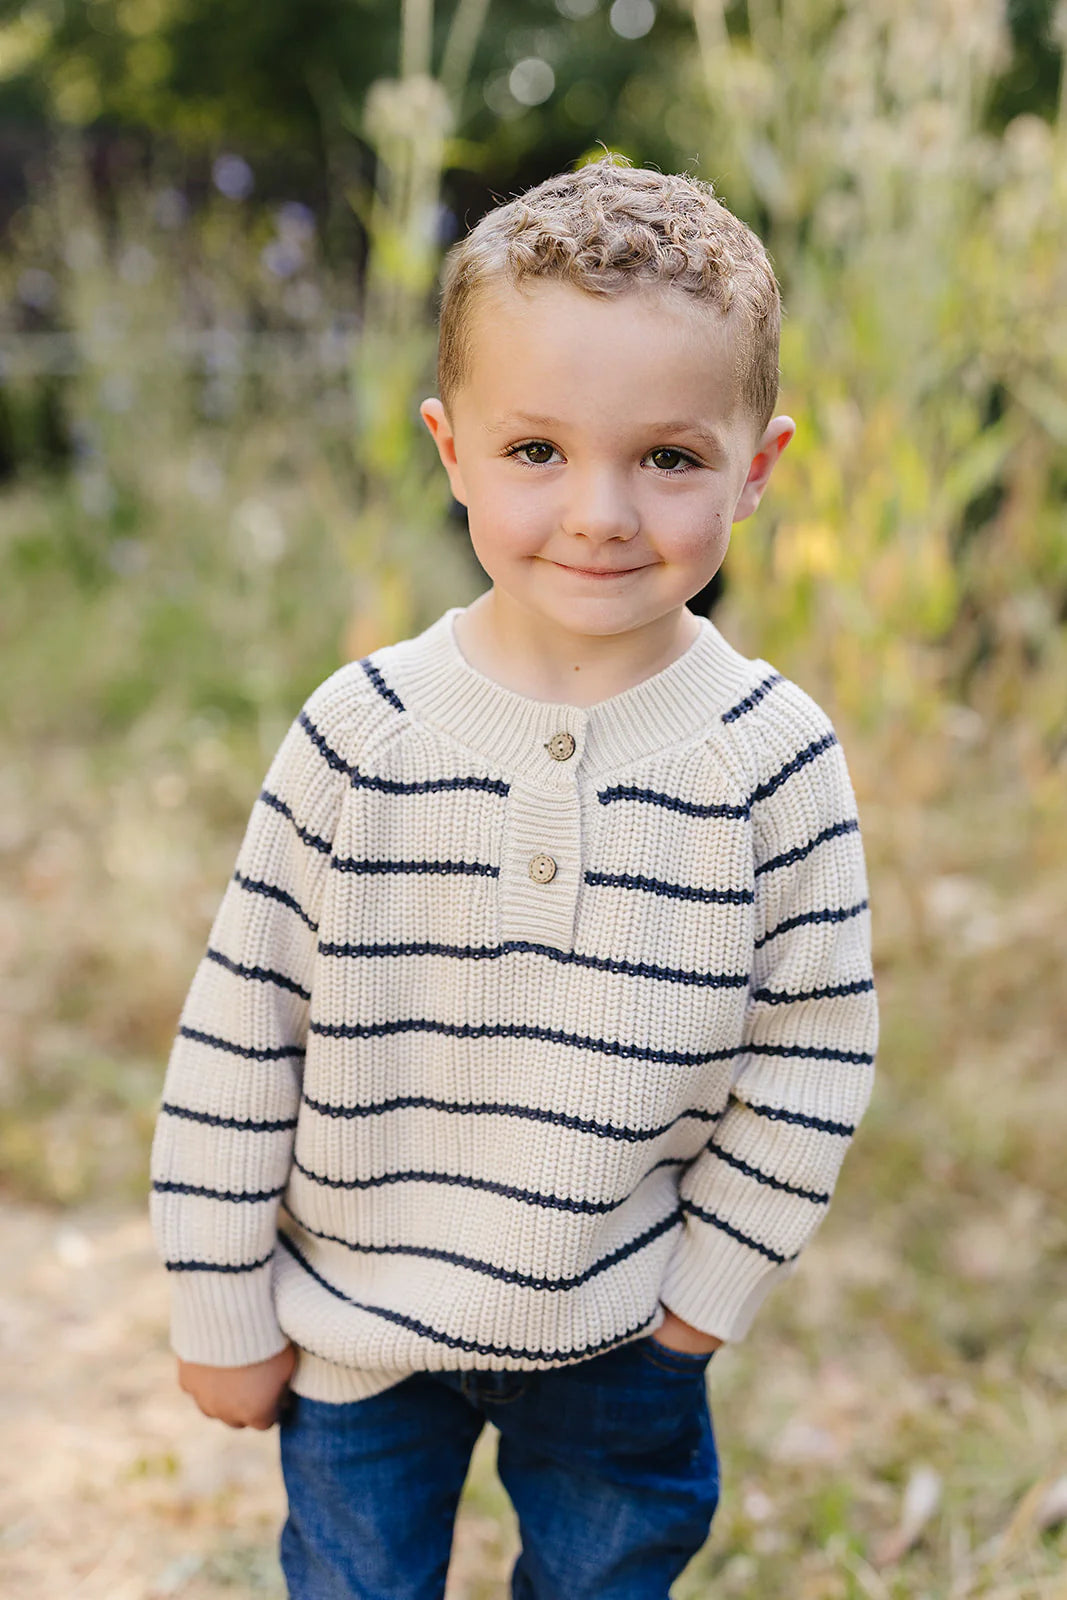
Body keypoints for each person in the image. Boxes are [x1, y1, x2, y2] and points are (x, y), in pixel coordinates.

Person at [150, 157, 878, 1600]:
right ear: (451, 450)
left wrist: (697, 1306)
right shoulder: (360, 732)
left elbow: (813, 1054)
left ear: (758, 464)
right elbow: (242, 1030)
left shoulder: (773, 759)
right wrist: (219, 1304)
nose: (602, 512)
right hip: (361, 1327)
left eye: (669, 458)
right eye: (537, 451)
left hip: (624, 1329)